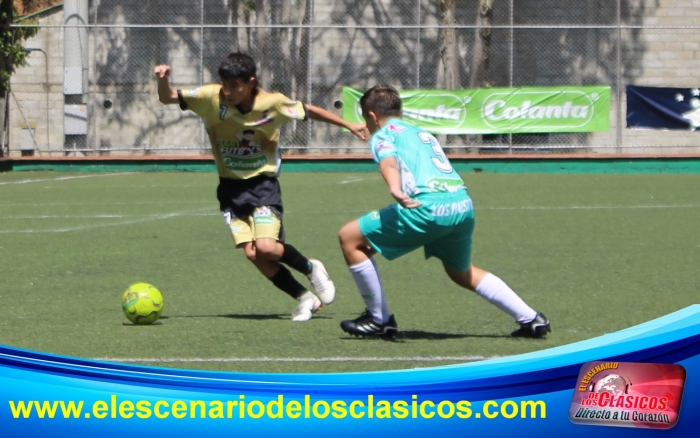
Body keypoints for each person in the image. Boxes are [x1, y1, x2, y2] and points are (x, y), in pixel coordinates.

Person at [155, 52, 368, 321]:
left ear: (251, 82)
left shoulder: (273, 103)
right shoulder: (210, 97)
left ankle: (311, 267)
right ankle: (305, 298)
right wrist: (163, 80)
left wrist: (348, 124)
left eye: (235, 85)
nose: (228, 91)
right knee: (253, 253)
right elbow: (167, 97)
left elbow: (308, 110)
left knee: (267, 248)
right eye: (225, 84)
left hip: (263, 187)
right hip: (229, 190)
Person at [337, 84, 550, 338]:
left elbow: (389, 162)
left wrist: (394, 187)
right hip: (461, 205)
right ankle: (531, 318)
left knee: (349, 237)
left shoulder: (383, 134)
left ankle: (378, 319)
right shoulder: (419, 131)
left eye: (365, 119)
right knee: (462, 272)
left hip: (428, 208)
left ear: (372, 116)